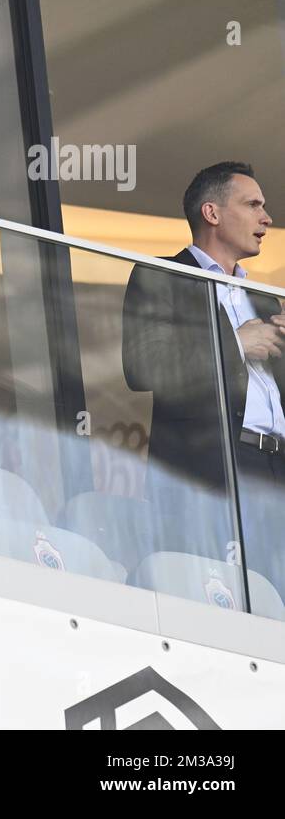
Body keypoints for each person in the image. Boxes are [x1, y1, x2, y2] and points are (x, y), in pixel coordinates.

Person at [122, 161, 285, 586]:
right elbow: (143, 367)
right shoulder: (163, 276)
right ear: (211, 214)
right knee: (220, 603)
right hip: (212, 472)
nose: (266, 219)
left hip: (276, 469)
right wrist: (234, 343)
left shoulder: (266, 300)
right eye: (253, 205)